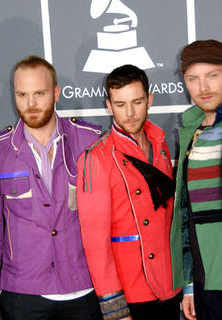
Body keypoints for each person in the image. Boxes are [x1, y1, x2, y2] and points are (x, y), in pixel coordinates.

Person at [0, 55, 103, 320]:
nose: (31, 104)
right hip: (22, 296)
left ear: (56, 93)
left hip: (86, 290)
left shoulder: (89, 142)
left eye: (39, 93)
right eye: (22, 94)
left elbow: (107, 220)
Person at [76, 64, 182, 320]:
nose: (130, 113)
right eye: (121, 104)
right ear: (109, 106)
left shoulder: (161, 142)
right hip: (131, 292)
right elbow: (95, 243)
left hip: (169, 283)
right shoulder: (96, 158)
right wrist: (115, 308)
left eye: (137, 101)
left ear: (149, 100)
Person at [170, 39, 222, 320]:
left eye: (212, 75)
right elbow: (186, 217)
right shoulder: (191, 132)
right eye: (193, 78)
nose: (203, 87)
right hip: (205, 286)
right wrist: (188, 284)